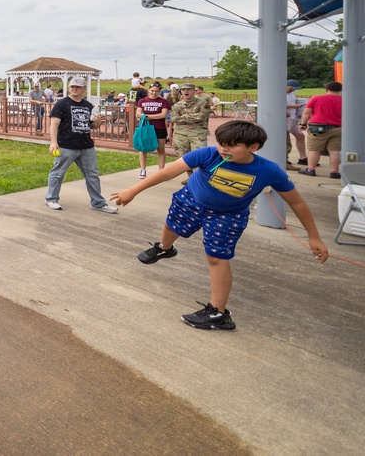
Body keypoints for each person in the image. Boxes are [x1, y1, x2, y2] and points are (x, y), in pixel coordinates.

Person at [111, 120, 329, 330]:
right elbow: (168, 172)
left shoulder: (269, 171)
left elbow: (297, 202)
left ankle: (218, 314)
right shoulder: (207, 154)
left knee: (217, 258)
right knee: (171, 227)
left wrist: (314, 237)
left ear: (253, 147)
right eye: (221, 143)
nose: (223, 149)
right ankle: (164, 249)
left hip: (227, 215)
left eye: (232, 145)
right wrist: (133, 190)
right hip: (191, 199)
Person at [44, 77, 118, 214]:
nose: (74, 89)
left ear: (83, 89)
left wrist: (98, 121)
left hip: (86, 146)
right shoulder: (62, 104)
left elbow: (93, 126)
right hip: (66, 145)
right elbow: (54, 124)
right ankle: (51, 199)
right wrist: (54, 142)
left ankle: (98, 203)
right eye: (72, 86)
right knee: (58, 173)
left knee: (93, 175)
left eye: (77, 87)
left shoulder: (88, 106)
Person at [298, 81, 343, 179]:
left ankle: (311, 169)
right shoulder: (345, 100)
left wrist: (303, 124)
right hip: (338, 128)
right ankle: (334, 172)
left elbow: (306, 113)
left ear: (326, 89)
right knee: (335, 150)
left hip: (318, 128)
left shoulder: (316, 98)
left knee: (315, 149)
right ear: (340, 90)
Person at [170, 83, 212, 184]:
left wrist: (184, 117)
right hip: (181, 134)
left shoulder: (203, 103)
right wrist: (192, 117)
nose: (186, 91)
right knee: (183, 157)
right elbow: (173, 118)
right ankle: (191, 177)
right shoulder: (177, 105)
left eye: (189, 89)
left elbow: (202, 116)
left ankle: (200, 180)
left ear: (194, 91)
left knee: (199, 156)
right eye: (183, 90)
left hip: (198, 134)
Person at [135, 84, 171, 179]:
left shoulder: (164, 101)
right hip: (146, 128)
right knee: (143, 149)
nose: (154, 93)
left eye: (156, 91)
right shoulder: (142, 101)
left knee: (161, 149)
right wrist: (146, 116)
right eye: (152, 91)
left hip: (159, 127)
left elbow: (163, 115)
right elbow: (138, 113)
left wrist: (147, 116)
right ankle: (143, 169)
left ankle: (161, 171)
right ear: (148, 90)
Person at [285, 79, 308, 169]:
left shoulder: (291, 93)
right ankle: (285, 158)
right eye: (291, 88)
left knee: (300, 136)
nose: (293, 90)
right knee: (285, 139)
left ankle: (303, 158)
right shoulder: (279, 92)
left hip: (293, 117)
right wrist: (292, 106)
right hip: (286, 117)